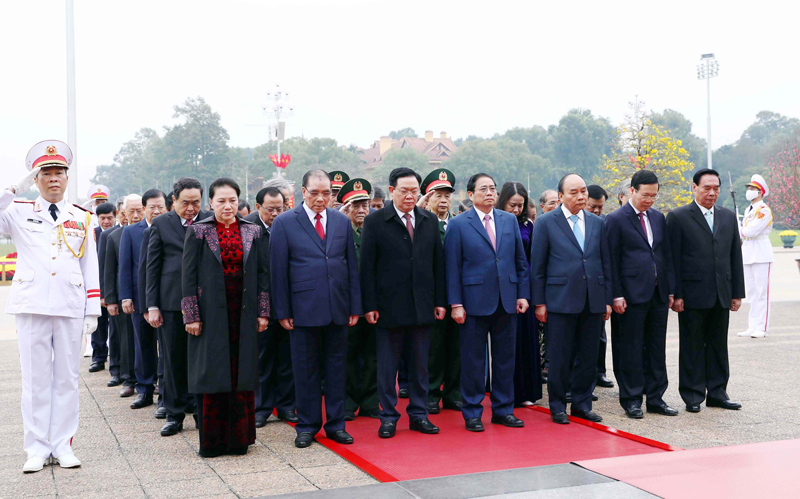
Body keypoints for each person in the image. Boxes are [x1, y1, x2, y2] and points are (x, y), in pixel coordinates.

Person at [1, 140, 100, 473]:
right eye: (46, 173)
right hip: (32, 305)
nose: (53, 179)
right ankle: (37, 447)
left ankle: (62, 444)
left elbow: (90, 266)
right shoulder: (17, 210)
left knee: (67, 379)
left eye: (59, 173)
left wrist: (92, 310)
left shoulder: (82, 218)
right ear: (36, 178)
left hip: (70, 305)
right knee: (35, 380)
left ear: (67, 178)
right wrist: (15, 187)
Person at [270, 170, 361, 448]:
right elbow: (278, 271)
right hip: (302, 309)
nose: (321, 199)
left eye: (326, 193)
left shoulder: (341, 221)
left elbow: (350, 266)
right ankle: (307, 425)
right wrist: (282, 311)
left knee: (336, 369)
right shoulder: (285, 222)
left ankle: (336, 424)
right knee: (305, 371)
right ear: (302, 191)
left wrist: (355, 305)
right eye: (315, 193)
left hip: (338, 307)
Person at [181, 177, 269, 457]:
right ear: (211, 203)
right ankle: (213, 441)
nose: (228, 206)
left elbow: (264, 275)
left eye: (232, 200)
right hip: (209, 314)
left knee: (240, 373)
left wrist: (263, 312)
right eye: (221, 201)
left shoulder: (253, 231)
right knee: (212, 373)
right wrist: (191, 315)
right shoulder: (198, 231)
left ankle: (238, 439)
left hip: (243, 312)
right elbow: (187, 276)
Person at [360, 168, 446, 438]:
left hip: (422, 304)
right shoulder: (376, 222)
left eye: (414, 191)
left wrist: (440, 300)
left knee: (421, 365)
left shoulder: (429, 220)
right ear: (392, 191)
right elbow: (367, 268)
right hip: (388, 306)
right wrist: (370, 305)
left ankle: (419, 415)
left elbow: (438, 265)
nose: (410, 196)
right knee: (388, 367)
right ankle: (388, 416)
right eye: (404, 191)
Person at [445, 173, 530, 432]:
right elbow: (452, 267)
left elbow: (520, 261)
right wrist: (455, 304)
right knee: (473, 361)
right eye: (484, 189)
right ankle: (472, 411)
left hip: (506, 298)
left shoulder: (508, 220)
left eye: (492, 188)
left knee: (505, 359)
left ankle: (503, 410)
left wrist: (522, 294)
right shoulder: (459, 224)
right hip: (473, 302)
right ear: (470, 195)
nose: (490, 193)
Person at [531, 173, 612, 425]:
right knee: (559, 356)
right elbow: (538, 266)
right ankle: (557, 406)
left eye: (583, 191)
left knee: (588, 355)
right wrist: (540, 302)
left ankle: (582, 404)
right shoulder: (546, 222)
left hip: (592, 299)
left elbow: (605, 263)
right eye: (574, 192)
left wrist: (606, 299)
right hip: (560, 299)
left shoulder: (598, 223)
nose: (581, 196)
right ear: (561, 196)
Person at [666, 169, 745, 413]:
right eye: (706, 188)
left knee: (718, 345)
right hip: (691, 294)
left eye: (716, 188)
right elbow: (673, 259)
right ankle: (693, 394)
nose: (712, 193)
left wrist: (737, 293)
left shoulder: (728, 216)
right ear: (694, 187)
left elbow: (735, 256)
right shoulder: (678, 217)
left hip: (722, 292)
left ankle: (718, 393)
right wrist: (676, 294)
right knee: (692, 346)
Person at [605, 171, 677, 419]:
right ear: (632, 191)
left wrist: (669, 289)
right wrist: (615, 295)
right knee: (630, 349)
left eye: (654, 195)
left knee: (657, 348)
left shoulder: (658, 218)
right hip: (629, 296)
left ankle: (656, 398)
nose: (650, 200)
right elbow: (611, 261)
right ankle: (632, 400)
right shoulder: (615, 219)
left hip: (657, 294)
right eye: (645, 195)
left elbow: (665, 255)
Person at [145, 178, 208, 436]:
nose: (191, 208)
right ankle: (174, 414)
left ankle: (201, 412)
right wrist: (152, 306)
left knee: (201, 361)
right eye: (185, 203)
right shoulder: (162, 224)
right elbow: (152, 267)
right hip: (171, 304)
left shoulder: (209, 221)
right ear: (174, 201)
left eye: (196, 202)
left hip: (204, 304)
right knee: (172, 361)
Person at [244, 187, 298, 427]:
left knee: (288, 358)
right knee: (262, 358)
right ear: (258, 207)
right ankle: (261, 407)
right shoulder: (248, 229)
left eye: (281, 208)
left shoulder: (291, 225)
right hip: (260, 306)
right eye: (271, 209)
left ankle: (286, 406)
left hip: (288, 303)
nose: (276, 213)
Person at [334, 179, 380, 421]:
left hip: (371, 305)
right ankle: (348, 403)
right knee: (348, 357)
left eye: (366, 205)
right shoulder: (339, 232)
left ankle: (371, 402)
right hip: (347, 305)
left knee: (373, 356)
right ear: (346, 209)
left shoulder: (374, 231)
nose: (362, 210)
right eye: (356, 206)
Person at [417, 168, 462, 414]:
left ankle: (453, 393)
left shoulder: (458, 223)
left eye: (447, 195)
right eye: (438, 195)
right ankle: (431, 394)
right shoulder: (422, 224)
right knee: (433, 349)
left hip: (456, 295)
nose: (443, 200)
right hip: (432, 296)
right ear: (428, 199)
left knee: (456, 348)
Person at [119, 189, 166, 409]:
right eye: (152, 208)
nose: (156, 211)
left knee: (166, 348)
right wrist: (126, 296)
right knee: (143, 345)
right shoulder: (131, 232)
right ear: (144, 209)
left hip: (166, 298)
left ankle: (166, 392)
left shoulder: (171, 227)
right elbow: (125, 267)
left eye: (160, 207)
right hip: (140, 298)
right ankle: (145, 389)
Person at [497, 182, 542, 407]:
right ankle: (505, 392)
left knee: (526, 338)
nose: (515, 210)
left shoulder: (528, 225)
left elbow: (533, 258)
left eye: (520, 206)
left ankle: (526, 391)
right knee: (507, 343)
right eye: (511, 205)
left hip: (525, 287)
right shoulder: (495, 222)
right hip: (502, 286)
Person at [105, 196, 138, 399]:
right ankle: (128, 379)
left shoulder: (153, 231)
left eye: (138, 210)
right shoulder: (113, 237)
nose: (134, 216)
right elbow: (109, 270)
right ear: (122, 214)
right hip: (123, 296)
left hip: (148, 296)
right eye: (129, 212)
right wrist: (110, 299)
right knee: (126, 339)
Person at [736, 174, 774, 338]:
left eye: (752, 189)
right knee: (751, 292)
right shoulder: (748, 210)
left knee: (761, 293)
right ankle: (752, 326)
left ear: (760, 192)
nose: (749, 191)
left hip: (761, 252)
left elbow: (750, 231)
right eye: (749, 188)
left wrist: (737, 228)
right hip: (748, 252)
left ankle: (762, 327)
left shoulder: (764, 210)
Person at [585, 185, 614, 390]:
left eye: (600, 207)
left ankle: (599, 373)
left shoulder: (602, 224)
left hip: (597, 287)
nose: (596, 211)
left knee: (600, 337)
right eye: (593, 206)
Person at [88, 203, 117, 373]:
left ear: (116, 216)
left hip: (114, 288)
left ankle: (116, 360)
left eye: (109, 218)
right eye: (102, 218)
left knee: (115, 329)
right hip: (96, 288)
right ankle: (98, 358)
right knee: (98, 326)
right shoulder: (91, 234)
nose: (106, 221)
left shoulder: (120, 233)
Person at [97, 204, 124, 388]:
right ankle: (116, 370)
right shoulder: (109, 235)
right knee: (115, 333)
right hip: (113, 292)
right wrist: (104, 294)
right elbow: (103, 268)